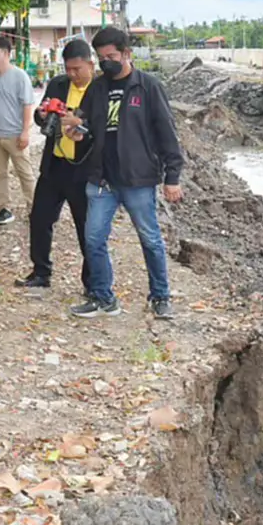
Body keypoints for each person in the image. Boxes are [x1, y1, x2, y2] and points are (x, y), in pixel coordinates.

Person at [67, 27, 185, 320]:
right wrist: (75, 131)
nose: (107, 62)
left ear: (127, 54)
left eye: (112, 56)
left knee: (150, 239)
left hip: (138, 179)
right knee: (93, 239)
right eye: (101, 57)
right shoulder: (97, 88)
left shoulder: (148, 87)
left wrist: (173, 177)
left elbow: (167, 134)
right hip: (101, 179)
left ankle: (160, 296)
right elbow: (85, 124)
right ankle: (103, 297)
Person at [17, 38, 96, 293]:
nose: (72, 75)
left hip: (84, 170)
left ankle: (92, 281)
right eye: (68, 69)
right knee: (39, 218)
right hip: (55, 164)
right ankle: (41, 272)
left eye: (77, 69)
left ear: (90, 64)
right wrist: (42, 116)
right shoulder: (58, 84)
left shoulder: (101, 89)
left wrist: (83, 128)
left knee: (87, 227)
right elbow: (46, 125)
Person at [0, 35, 37, 225]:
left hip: (15, 135)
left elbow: (28, 105)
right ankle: (4, 208)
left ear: (5, 53)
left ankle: (34, 208)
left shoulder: (20, 76)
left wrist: (25, 132)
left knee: (25, 172)